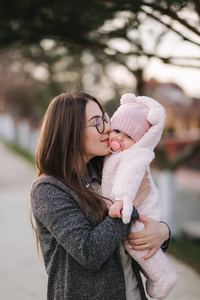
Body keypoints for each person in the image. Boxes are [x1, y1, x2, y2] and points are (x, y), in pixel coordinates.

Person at [30, 92, 171, 300]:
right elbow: (89, 253)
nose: (107, 127)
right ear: (69, 133)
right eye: (97, 122)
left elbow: (136, 230)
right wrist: (130, 204)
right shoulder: (49, 189)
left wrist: (163, 232)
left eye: (105, 118)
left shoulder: (109, 175)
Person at [101, 93, 178, 300]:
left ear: (141, 140)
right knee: (136, 246)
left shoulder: (136, 155)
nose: (118, 138)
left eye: (128, 136)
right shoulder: (110, 154)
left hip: (141, 210)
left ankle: (163, 276)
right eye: (116, 130)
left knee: (136, 243)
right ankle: (155, 276)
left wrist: (123, 199)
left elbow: (129, 177)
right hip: (129, 206)